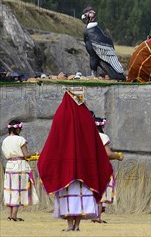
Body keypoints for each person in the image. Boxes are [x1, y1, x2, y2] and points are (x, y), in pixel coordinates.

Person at [37, 87, 113, 232]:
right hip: (85, 167)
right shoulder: (86, 116)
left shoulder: (62, 114)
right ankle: (76, 226)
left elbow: (55, 140)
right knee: (80, 197)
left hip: (67, 167)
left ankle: (71, 225)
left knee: (70, 197)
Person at [2, 120, 39, 221]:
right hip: (19, 166)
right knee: (17, 190)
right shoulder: (20, 139)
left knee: (10, 190)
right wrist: (36, 154)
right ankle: (14, 216)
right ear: (17, 128)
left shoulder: (5, 140)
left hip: (9, 166)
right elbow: (26, 155)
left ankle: (10, 215)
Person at [93, 116, 124, 223]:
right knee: (101, 190)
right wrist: (118, 156)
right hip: (101, 166)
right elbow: (108, 154)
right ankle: (97, 217)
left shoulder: (85, 135)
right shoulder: (103, 136)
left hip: (89, 165)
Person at [81, 6, 126, 80]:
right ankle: (93, 74)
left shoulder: (93, 32)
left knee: (94, 56)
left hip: (104, 59)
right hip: (96, 58)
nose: (85, 15)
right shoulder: (89, 30)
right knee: (93, 56)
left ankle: (94, 74)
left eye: (87, 13)